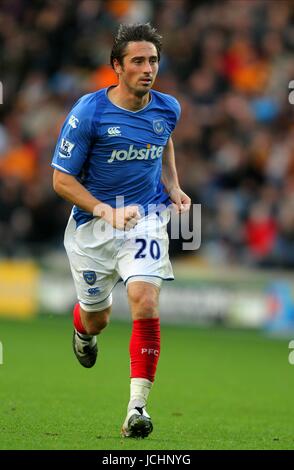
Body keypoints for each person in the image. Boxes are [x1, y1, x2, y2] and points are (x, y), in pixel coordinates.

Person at [51, 23, 190, 439]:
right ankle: (82, 329)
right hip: (93, 226)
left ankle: (137, 409)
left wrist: (173, 185)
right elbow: (60, 180)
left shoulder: (168, 108)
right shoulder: (89, 112)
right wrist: (103, 211)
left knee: (144, 299)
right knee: (98, 319)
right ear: (117, 66)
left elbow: (163, 140)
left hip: (146, 217)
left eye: (153, 60)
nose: (148, 68)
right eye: (138, 61)